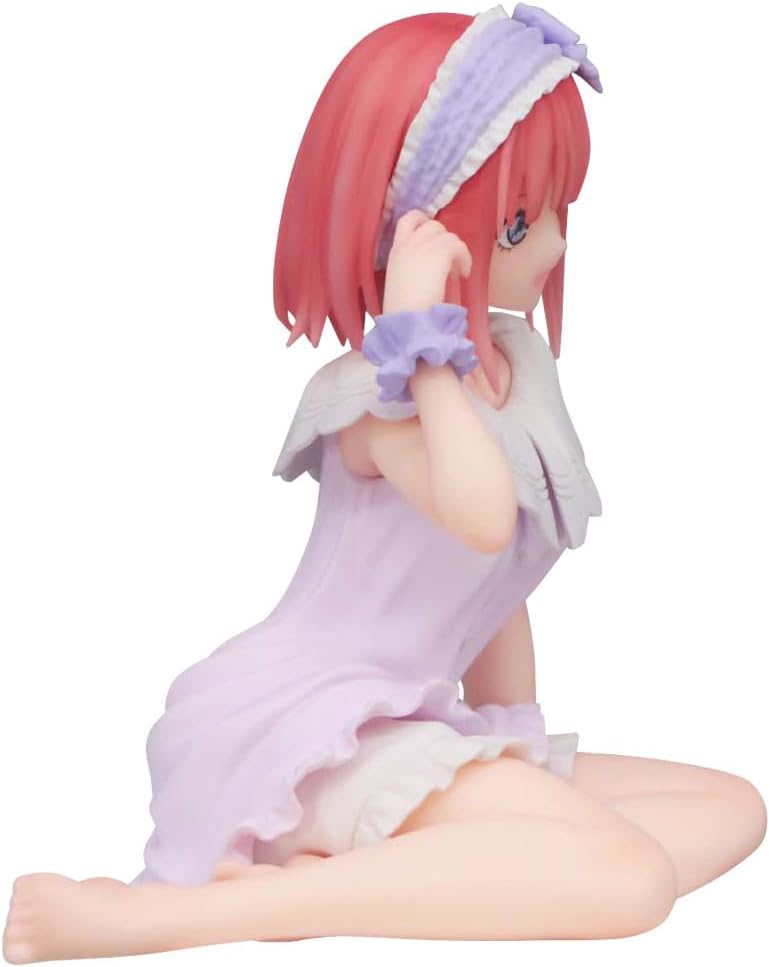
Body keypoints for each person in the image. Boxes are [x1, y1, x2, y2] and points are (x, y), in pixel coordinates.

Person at [3, 4, 766, 960]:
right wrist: (418, 346)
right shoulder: (377, 399)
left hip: (414, 724)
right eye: (519, 223)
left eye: (557, 213)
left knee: (730, 807)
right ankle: (187, 914)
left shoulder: (514, 373)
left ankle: (430, 877)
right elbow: (480, 518)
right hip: (312, 732)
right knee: (634, 877)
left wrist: (512, 731)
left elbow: (494, 589)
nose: (553, 247)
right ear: (421, 233)